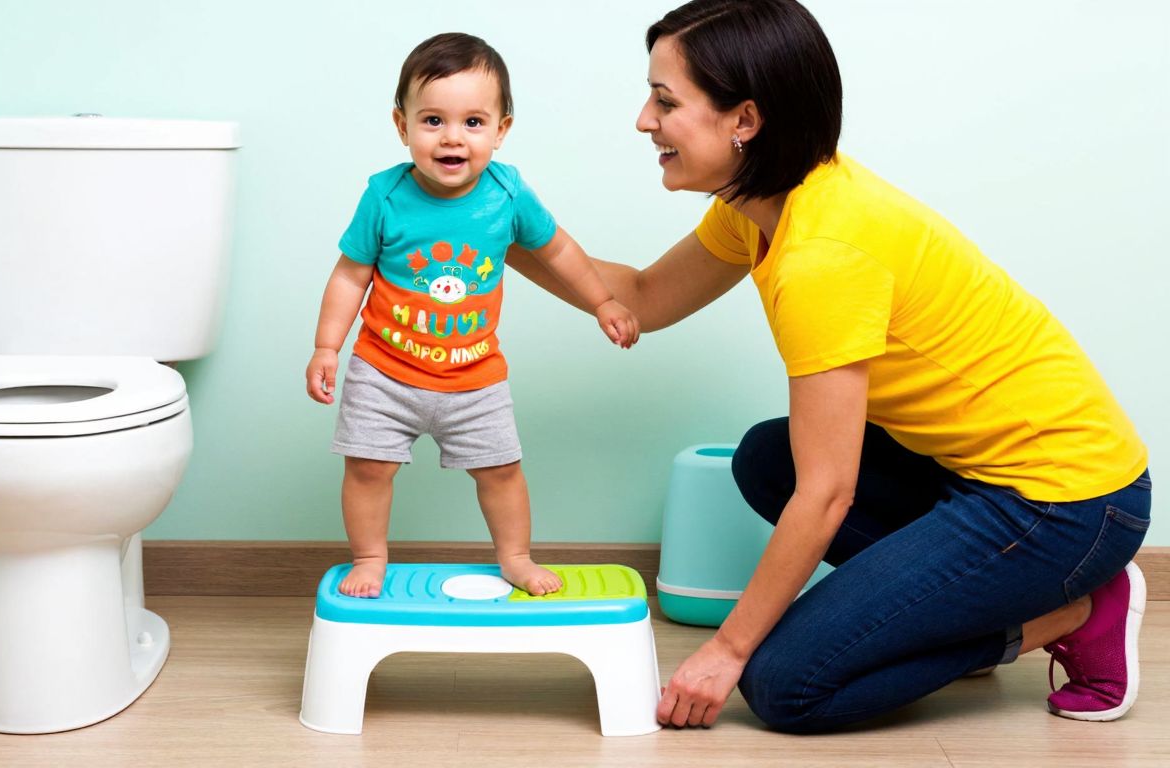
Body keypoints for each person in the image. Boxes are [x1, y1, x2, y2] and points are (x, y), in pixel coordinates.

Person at [508, 0, 1150, 733]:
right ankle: (971, 606)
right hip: (975, 476)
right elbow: (644, 297)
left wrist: (728, 649)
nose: (643, 120)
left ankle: (1073, 611)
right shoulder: (764, 200)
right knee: (766, 460)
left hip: (1067, 504)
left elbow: (828, 493)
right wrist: (495, 227)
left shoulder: (824, 255)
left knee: (786, 685)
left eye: (665, 101)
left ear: (745, 120)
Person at [306, 33, 640, 599]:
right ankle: (369, 557)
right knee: (366, 468)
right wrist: (326, 346)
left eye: (473, 122)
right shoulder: (384, 196)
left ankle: (515, 557)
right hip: (384, 370)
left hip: (474, 376)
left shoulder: (507, 193)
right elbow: (349, 275)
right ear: (402, 125)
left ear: (501, 130)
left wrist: (602, 301)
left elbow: (558, 250)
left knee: (502, 471)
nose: (452, 137)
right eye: (433, 120)